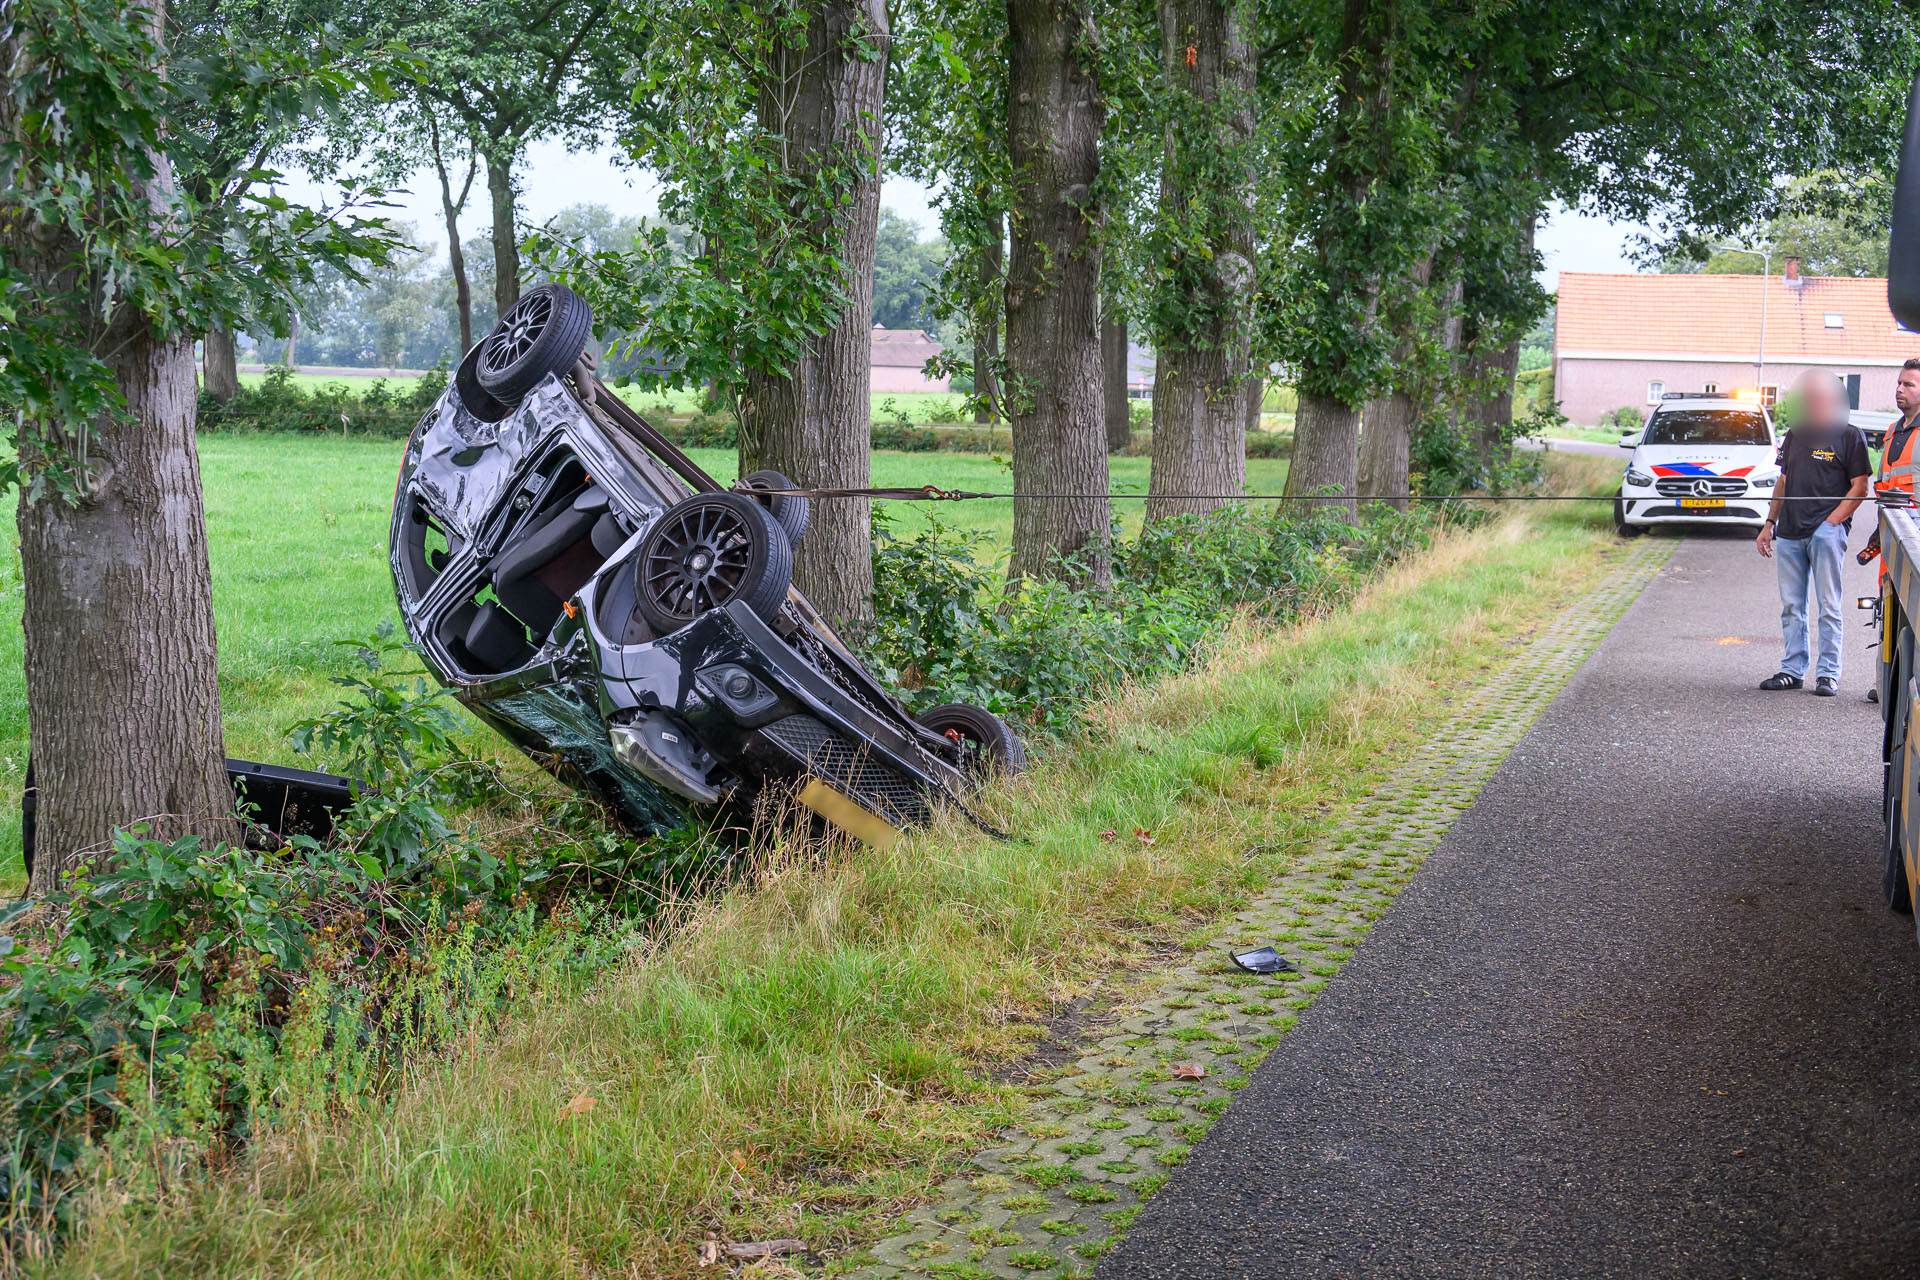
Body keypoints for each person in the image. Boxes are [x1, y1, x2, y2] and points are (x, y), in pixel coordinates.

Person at [1756, 371, 1872, 696]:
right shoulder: (1795, 434)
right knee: (1792, 606)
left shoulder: (1851, 436)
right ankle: (1792, 670)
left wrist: (1831, 524)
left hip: (1826, 533)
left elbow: (1860, 487)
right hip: (1790, 532)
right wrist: (1769, 524)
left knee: (1828, 605)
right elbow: (1783, 480)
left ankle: (1828, 674)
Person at [1859, 358, 1920, 702]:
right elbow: (1886, 486)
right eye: (1899, 383)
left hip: (1916, 542)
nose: (1899, 389)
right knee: (1890, 608)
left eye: (1908, 384)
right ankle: (1890, 685)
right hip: (1892, 536)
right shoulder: (1893, 430)